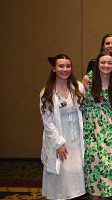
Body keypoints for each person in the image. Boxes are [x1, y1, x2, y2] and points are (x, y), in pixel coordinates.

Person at [40, 54, 85, 200]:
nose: (65, 69)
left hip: (76, 139)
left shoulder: (78, 87)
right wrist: (59, 143)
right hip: (58, 140)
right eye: (61, 66)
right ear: (54, 68)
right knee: (61, 177)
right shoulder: (46, 92)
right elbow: (47, 122)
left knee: (76, 176)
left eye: (68, 66)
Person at [82, 51, 112, 199]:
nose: (106, 65)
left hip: (109, 128)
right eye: (103, 62)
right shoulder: (88, 79)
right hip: (91, 129)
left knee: (111, 165)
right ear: (97, 64)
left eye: (109, 63)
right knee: (94, 165)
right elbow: (80, 102)